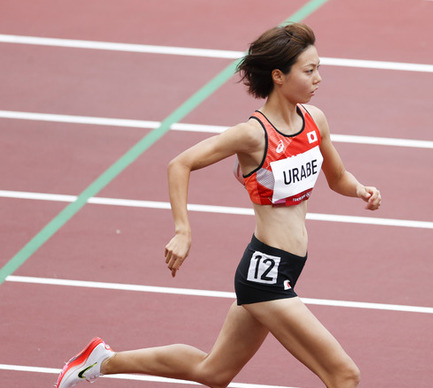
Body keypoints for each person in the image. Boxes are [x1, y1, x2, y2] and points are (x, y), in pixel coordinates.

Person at [56, 22, 381, 388]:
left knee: (213, 372)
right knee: (344, 375)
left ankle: (101, 361)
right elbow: (180, 163)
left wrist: (361, 190)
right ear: (278, 76)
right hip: (267, 274)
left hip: (286, 265)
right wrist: (183, 230)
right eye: (309, 70)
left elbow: (337, 178)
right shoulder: (252, 134)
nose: (319, 78)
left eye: (319, 67)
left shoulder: (314, 120)